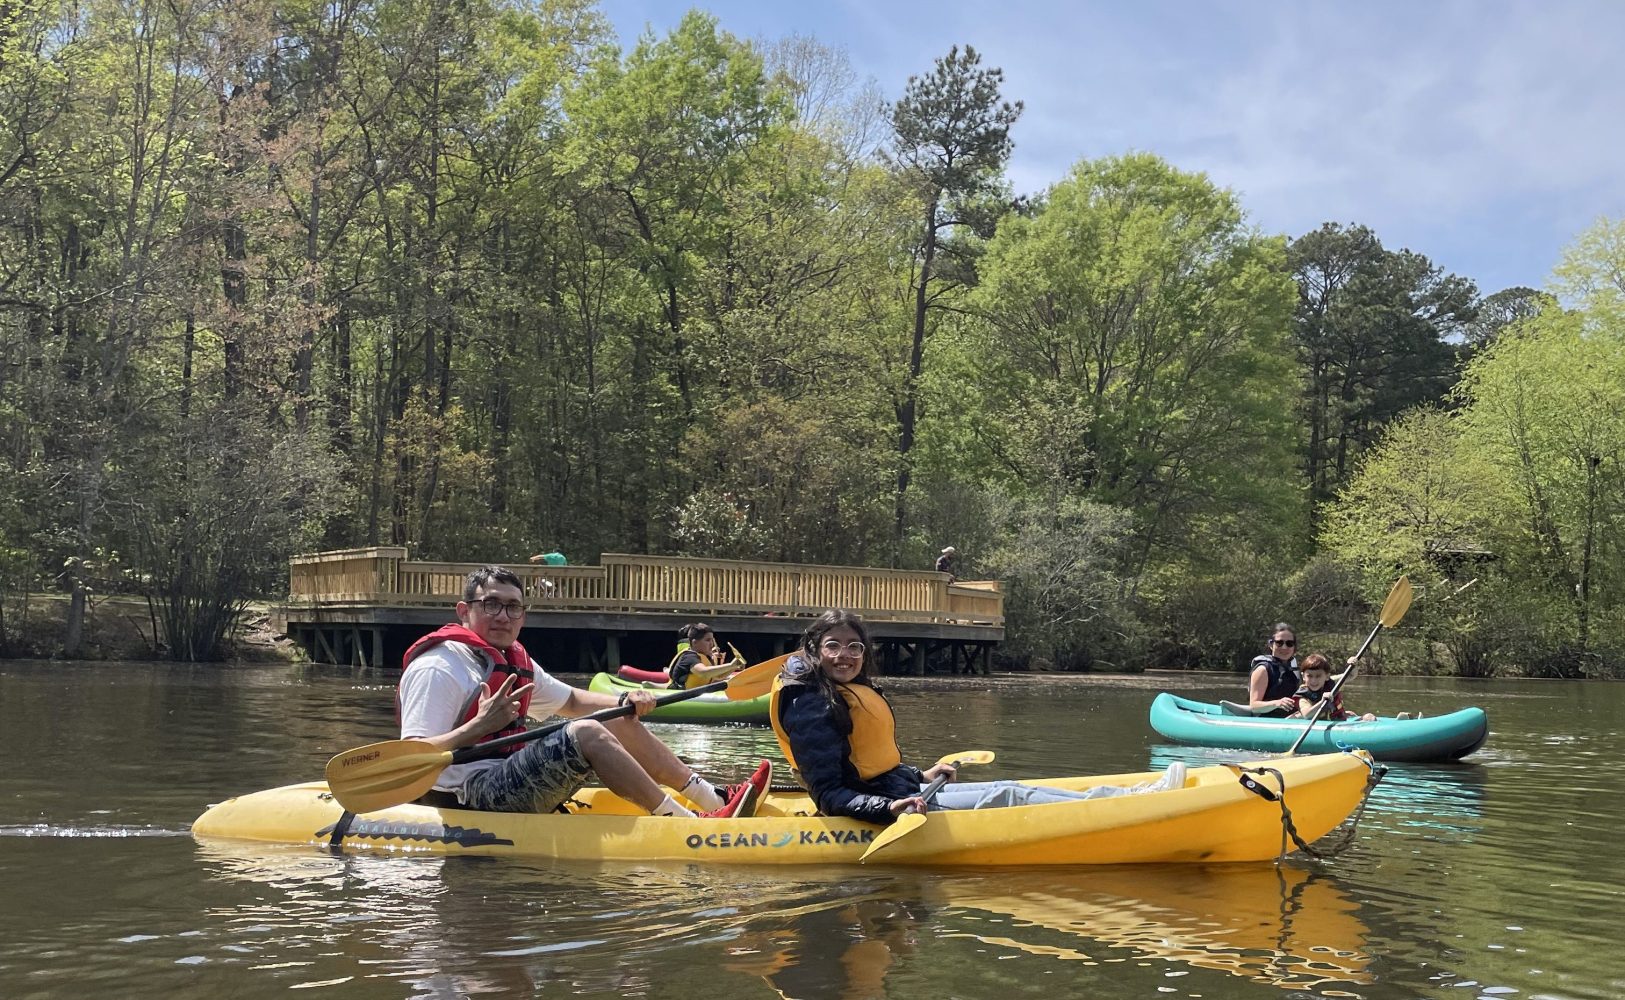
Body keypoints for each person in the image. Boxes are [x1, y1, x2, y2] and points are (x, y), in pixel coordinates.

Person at [397, 565, 770, 818]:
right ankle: (685, 822)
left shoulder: (511, 658)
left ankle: (712, 798)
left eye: (513, 607)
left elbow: (572, 700)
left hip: (505, 779)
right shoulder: (438, 667)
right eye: (490, 604)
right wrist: (477, 727)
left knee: (612, 716)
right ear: (464, 611)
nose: (503, 616)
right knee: (587, 732)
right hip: (464, 797)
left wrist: (627, 702)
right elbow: (411, 759)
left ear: (523, 615)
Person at [769, 609, 1185, 824]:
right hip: (872, 814)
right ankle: (1128, 808)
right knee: (1006, 797)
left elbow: (868, 760)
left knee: (1007, 785)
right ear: (815, 649)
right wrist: (891, 806)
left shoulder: (848, 690)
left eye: (854, 648)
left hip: (901, 791)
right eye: (833, 646)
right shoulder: (810, 703)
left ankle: (1129, 799)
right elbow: (829, 794)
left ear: (864, 653)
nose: (844, 656)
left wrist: (919, 775)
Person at [1290, 653, 1376, 722]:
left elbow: (1351, 675)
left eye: (1318, 676)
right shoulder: (1302, 695)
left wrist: (1353, 665)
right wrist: (1322, 702)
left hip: (1334, 720)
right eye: (1309, 676)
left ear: (1327, 676)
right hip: (1315, 724)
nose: (1314, 680)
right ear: (1303, 676)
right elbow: (1307, 715)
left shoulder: (1333, 682)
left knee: (1368, 717)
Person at [667, 622, 743, 690]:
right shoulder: (689, 657)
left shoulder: (704, 656)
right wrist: (730, 665)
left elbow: (718, 676)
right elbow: (703, 673)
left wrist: (734, 667)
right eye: (707, 640)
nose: (712, 644)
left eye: (712, 640)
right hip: (679, 697)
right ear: (694, 642)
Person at [1247, 623, 1302, 716]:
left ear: (1294, 647)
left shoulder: (1294, 669)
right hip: (1267, 722)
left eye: (1289, 643)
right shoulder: (1263, 670)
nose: (1284, 647)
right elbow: (1254, 706)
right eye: (1279, 643)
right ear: (1271, 644)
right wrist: (1277, 703)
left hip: (1290, 720)